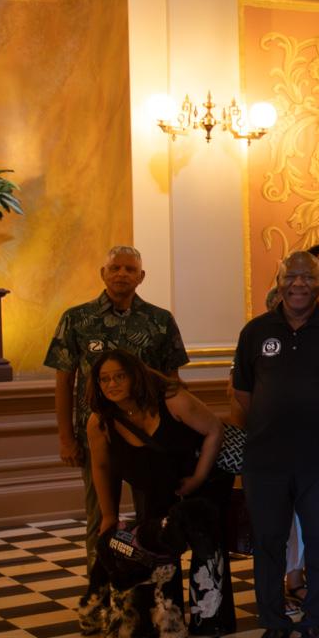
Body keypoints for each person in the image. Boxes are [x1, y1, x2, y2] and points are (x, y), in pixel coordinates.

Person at [231, 251, 319, 638]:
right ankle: (273, 627)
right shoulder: (255, 332)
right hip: (266, 460)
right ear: (278, 281)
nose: (299, 284)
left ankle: (318, 624)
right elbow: (243, 393)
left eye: (308, 277)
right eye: (291, 276)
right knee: (268, 543)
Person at [46, 246, 190, 575]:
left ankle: (153, 589)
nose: (122, 274)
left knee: (154, 516)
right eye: (115, 268)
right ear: (103, 273)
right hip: (97, 436)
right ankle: (102, 594)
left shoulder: (160, 320)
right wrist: (66, 438)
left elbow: (173, 382)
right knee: (101, 517)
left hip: (150, 439)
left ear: (141, 277)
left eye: (129, 269)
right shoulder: (77, 319)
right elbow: (63, 383)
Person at [81, 349, 229, 638]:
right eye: (104, 379)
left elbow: (215, 429)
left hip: (201, 486)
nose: (112, 384)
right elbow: (102, 468)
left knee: (206, 555)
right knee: (159, 556)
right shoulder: (100, 423)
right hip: (157, 493)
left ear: (135, 375)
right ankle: (162, 623)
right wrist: (108, 515)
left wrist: (198, 478)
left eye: (119, 376)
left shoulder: (172, 400)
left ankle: (210, 621)